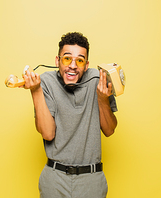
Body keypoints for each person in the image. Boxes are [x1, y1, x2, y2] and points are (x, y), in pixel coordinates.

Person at [22, 32, 118, 198]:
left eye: (79, 60)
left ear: (86, 65)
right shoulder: (45, 82)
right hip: (55, 178)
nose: (73, 65)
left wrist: (103, 99)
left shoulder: (98, 80)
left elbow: (109, 130)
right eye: (67, 59)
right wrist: (35, 90)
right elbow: (48, 133)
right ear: (57, 61)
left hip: (91, 179)